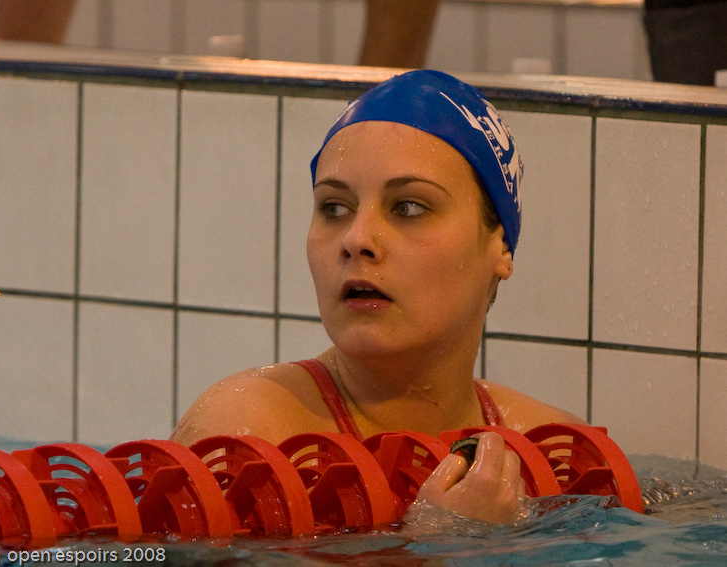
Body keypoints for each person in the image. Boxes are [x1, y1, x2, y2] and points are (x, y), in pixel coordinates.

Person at [171, 70, 585, 525]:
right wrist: (442, 540)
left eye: (409, 207)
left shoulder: (558, 451)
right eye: (334, 208)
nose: (356, 238)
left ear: (500, 246)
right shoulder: (247, 436)